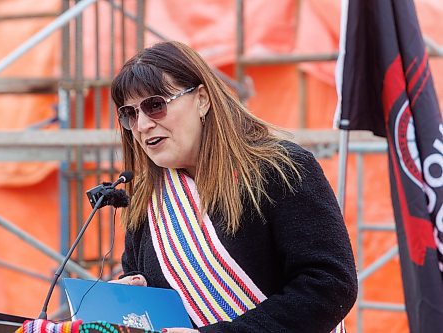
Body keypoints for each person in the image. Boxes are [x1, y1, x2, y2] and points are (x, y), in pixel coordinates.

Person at [110, 40, 357, 333]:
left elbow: (330, 285)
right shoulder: (148, 198)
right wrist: (133, 298)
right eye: (130, 114)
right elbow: (154, 292)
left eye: (155, 105)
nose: (142, 125)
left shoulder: (281, 169)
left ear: (202, 99)